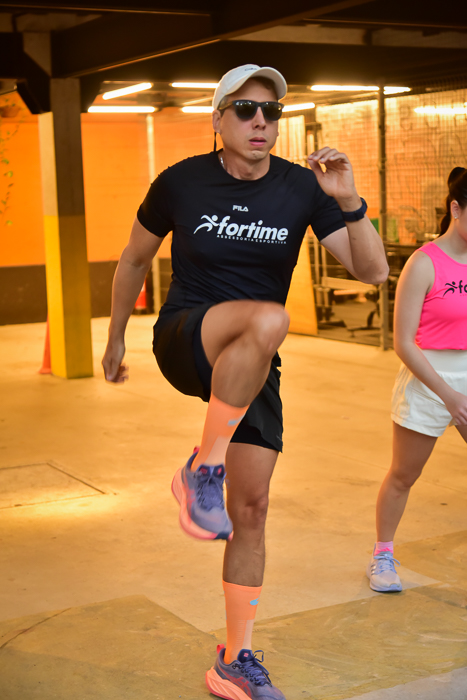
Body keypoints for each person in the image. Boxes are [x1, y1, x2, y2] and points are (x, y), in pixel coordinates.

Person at [102, 64, 388, 700]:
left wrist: (347, 199)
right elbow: (134, 258)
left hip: (254, 359)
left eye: (271, 111)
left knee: (251, 508)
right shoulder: (180, 181)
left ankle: (235, 658)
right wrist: (115, 337)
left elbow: (372, 273)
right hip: (187, 336)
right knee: (270, 318)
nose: (260, 121)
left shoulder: (301, 186)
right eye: (245, 109)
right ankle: (202, 467)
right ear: (218, 119)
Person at [367, 167, 467, 594]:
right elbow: (403, 342)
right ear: (456, 209)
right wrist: (449, 396)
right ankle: (382, 555)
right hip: (428, 379)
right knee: (404, 475)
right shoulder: (424, 263)